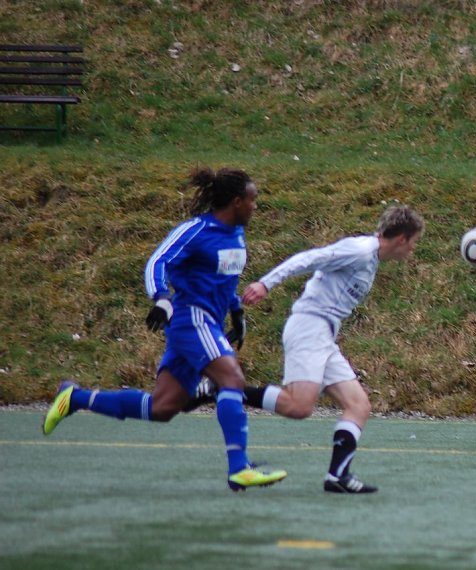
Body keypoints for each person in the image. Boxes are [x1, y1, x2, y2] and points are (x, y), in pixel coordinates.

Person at [42, 167, 287, 492]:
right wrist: (161, 299)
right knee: (232, 380)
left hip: (208, 322)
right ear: (237, 201)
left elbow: (224, 278)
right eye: (253, 200)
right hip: (190, 319)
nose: (257, 206)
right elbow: (158, 261)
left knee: (162, 408)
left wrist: (237, 311)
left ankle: (75, 398)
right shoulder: (196, 230)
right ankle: (239, 468)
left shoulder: (237, 235)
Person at [232, 204, 424, 494]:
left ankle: (338, 477)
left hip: (324, 335)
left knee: (358, 405)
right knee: (299, 406)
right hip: (309, 326)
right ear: (401, 239)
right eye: (413, 242)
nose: (413, 249)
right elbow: (309, 258)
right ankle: (224, 390)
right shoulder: (360, 250)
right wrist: (265, 284)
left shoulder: (371, 258)